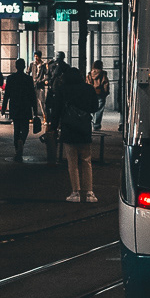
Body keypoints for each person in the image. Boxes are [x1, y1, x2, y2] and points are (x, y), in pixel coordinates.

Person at [47, 63, 100, 202]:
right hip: (84, 128)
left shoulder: (62, 90)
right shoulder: (88, 89)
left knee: (72, 163)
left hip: (69, 128)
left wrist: (52, 126)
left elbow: (56, 110)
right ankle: (89, 193)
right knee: (86, 161)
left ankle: (75, 192)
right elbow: (95, 107)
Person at [1, 59, 39, 161]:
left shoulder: (10, 78)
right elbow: (32, 95)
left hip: (15, 106)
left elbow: (7, 95)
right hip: (26, 106)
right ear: (24, 66)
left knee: (16, 128)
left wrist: (4, 108)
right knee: (25, 127)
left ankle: (17, 147)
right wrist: (35, 110)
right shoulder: (28, 79)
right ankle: (21, 140)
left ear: (16, 66)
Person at [88, 59, 111, 129]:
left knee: (92, 108)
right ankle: (96, 125)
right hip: (100, 93)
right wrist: (106, 92)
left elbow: (88, 83)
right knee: (99, 109)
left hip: (91, 93)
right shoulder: (103, 74)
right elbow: (105, 84)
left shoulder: (89, 74)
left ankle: (91, 122)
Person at [28, 51, 48, 119]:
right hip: (33, 85)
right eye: (35, 56)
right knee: (32, 101)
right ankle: (32, 116)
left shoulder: (43, 65)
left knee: (42, 101)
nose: (36, 58)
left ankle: (45, 116)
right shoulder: (32, 64)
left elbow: (46, 74)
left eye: (37, 56)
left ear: (40, 57)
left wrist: (43, 81)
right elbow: (28, 72)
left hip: (40, 85)